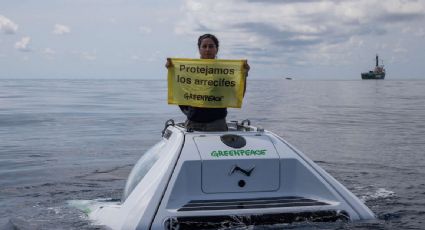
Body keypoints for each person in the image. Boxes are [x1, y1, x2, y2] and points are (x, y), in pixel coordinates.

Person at [166, 34, 250, 131]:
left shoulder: (225, 73)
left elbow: (237, 96)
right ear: (199, 49)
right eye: (204, 46)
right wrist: (172, 71)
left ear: (216, 49)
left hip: (217, 124)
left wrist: (244, 75)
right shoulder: (190, 71)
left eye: (211, 46)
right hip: (193, 123)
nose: (207, 49)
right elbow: (180, 93)